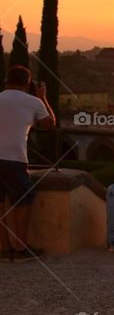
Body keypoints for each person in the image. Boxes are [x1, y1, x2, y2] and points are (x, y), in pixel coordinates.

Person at [0, 65, 55, 262]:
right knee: (22, 201)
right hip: (14, 159)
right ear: (27, 83)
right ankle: (21, 248)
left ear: (7, 81)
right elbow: (49, 124)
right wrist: (42, 97)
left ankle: (4, 250)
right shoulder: (33, 102)